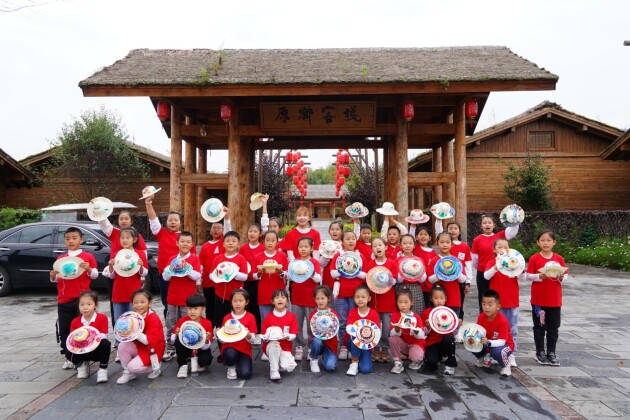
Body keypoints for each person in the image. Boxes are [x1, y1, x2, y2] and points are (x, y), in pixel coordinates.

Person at [49, 227, 98, 369]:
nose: (71, 241)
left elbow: (95, 275)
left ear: (81, 240)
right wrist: (52, 276)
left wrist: (88, 269)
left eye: (74, 238)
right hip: (64, 299)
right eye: (68, 239)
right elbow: (56, 279)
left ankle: (84, 357)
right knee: (65, 329)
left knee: (83, 328)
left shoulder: (88, 256)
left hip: (83, 301)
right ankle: (69, 357)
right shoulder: (60, 259)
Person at [145, 194, 196, 316]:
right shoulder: (162, 234)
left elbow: (193, 259)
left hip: (183, 277)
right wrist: (148, 203)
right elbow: (153, 220)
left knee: (184, 304)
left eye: (175, 220)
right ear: (166, 222)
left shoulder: (186, 239)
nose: (173, 222)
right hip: (165, 275)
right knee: (167, 303)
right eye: (170, 220)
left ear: (180, 223)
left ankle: (184, 324)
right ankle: (170, 325)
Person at [98, 209, 147, 329]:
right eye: (121, 219)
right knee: (118, 317)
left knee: (133, 318)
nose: (123, 221)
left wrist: (141, 271)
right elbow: (104, 224)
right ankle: (118, 335)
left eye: (126, 218)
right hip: (118, 283)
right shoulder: (115, 234)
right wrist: (99, 211)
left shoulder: (138, 239)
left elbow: (144, 264)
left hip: (133, 283)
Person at [525, 230, 568, 366]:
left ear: (554, 242)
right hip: (539, 301)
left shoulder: (559, 259)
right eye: (542, 240)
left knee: (553, 328)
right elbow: (528, 276)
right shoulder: (534, 258)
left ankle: (551, 352)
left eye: (549, 240)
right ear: (538, 243)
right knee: (539, 327)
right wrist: (539, 276)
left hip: (554, 300)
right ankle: (540, 352)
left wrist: (561, 277)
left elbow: (565, 275)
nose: (546, 243)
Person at [102, 227, 148, 354]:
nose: (125, 240)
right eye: (122, 238)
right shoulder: (116, 254)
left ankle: (136, 345)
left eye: (128, 238)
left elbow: (144, 273)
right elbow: (111, 276)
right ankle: (120, 346)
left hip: (134, 293)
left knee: (134, 320)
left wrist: (141, 266)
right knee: (119, 320)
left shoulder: (139, 254)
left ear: (134, 239)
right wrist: (111, 266)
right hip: (118, 292)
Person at [162, 231, 202, 361]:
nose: (185, 244)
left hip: (188, 300)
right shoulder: (172, 259)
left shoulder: (194, 259)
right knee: (171, 325)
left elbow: (197, 276)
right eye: (182, 241)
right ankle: (170, 349)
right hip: (173, 298)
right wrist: (172, 268)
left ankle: (188, 349)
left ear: (192, 244)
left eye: (188, 242)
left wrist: (186, 268)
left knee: (188, 324)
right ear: (177, 243)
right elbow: (165, 277)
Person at [329, 231, 368, 360]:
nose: (350, 241)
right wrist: (344, 269)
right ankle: (343, 346)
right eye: (347, 239)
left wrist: (355, 271)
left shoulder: (360, 256)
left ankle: (353, 345)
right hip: (341, 294)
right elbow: (332, 273)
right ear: (342, 241)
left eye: (353, 239)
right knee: (342, 321)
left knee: (355, 321)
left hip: (357, 296)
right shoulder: (338, 256)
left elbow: (365, 275)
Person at [484, 238, 521, 366]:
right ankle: (494, 353)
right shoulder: (491, 262)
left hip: (512, 301)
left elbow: (523, 276)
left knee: (512, 329)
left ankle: (512, 354)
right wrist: (496, 266)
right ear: (494, 250)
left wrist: (520, 268)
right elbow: (486, 276)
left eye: (505, 247)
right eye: (499, 247)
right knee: (495, 329)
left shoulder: (514, 263)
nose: (503, 250)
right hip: (496, 304)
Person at [471, 214, 519, 313]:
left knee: (496, 295)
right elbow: (474, 260)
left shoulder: (499, 236)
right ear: (481, 226)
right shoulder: (477, 240)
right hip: (483, 273)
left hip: (499, 272)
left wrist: (515, 217)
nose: (487, 225)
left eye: (490, 222)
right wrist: (483, 269)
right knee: (483, 296)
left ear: (494, 225)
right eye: (484, 223)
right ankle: (483, 316)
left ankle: (498, 316)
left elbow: (512, 231)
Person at [117, 290, 166, 384]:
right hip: (139, 345)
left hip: (153, 349)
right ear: (132, 304)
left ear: (149, 303)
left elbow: (147, 341)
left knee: (132, 367)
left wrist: (133, 330)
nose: (139, 305)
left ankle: (155, 366)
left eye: (142, 302)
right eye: (135, 302)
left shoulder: (153, 318)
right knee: (122, 346)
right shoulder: (132, 316)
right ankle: (128, 373)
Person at [289, 237, 322, 361]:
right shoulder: (294, 262)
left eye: (306, 247)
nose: (303, 249)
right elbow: (289, 276)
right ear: (297, 248)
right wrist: (284, 273)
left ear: (312, 248)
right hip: (296, 297)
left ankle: (310, 347)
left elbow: (318, 279)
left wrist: (311, 273)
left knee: (311, 324)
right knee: (296, 324)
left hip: (311, 298)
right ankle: (298, 346)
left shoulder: (314, 262)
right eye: (301, 247)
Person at [365, 237, 398, 363]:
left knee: (386, 328)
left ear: (386, 247)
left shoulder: (391, 263)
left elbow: (395, 280)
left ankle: (384, 348)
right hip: (374, 301)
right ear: (372, 249)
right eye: (374, 246)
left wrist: (385, 278)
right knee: (374, 326)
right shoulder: (370, 264)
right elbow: (367, 281)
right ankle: (375, 348)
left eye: (380, 245)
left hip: (388, 301)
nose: (377, 248)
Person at [66, 291, 110, 383]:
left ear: (95, 305)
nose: (85, 307)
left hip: (96, 350)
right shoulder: (75, 321)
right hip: (81, 350)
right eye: (82, 304)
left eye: (89, 304)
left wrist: (90, 336)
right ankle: (81, 366)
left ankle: (102, 370)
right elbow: (72, 339)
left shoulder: (102, 318)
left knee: (106, 343)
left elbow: (104, 335)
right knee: (69, 350)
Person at [211, 231, 250, 334]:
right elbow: (211, 275)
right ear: (223, 244)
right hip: (220, 295)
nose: (230, 243)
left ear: (238, 244)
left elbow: (245, 277)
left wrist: (232, 273)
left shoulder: (241, 258)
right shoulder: (218, 258)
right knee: (220, 321)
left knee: (236, 321)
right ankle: (221, 341)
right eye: (227, 241)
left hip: (237, 297)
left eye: (233, 241)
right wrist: (219, 274)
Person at [199, 215, 232, 326]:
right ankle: (210, 328)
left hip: (221, 282)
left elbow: (229, 232)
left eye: (219, 228)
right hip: (207, 282)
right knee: (209, 307)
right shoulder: (205, 246)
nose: (216, 230)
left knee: (221, 307)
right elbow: (200, 264)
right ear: (210, 231)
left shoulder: (224, 243)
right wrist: (198, 281)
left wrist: (226, 219)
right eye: (214, 228)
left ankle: (221, 327)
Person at [436, 222, 473, 322]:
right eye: (450, 228)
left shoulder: (464, 246)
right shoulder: (446, 243)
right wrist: (438, 219)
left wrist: (468, 281)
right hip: (444, 279)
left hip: (459, 279)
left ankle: (458, 322)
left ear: (459, 231)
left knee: (458, 302)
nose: (453, 230)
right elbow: (439, 233)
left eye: (455, 228)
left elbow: (468, 264)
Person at [473, 289, 515, 377]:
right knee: (471, 342)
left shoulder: (502, 321)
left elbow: (502, 341)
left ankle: (506, 365)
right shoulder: (481, 317)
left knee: (497, 352)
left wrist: (488, 342)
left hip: (504, 345)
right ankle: (482, 358)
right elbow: (478, 331)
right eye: (484, 304)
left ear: (498, 306)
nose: (486, 307)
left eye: (490, 305)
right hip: (488, 343)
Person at [218, 288, 258, 380]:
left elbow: (252, 340)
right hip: (229, 348)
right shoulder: (227, 318)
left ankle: (239, 362)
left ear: (246, 302)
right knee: (230, 355)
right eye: (235, 301)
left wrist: (248, 334)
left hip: (244, 350)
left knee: (245, 374)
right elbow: (222, 340)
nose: (238, 304)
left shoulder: (251, 317)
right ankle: (231, 366)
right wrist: (218, 334)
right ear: (231, 302)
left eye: (241, 301)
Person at [171, 294, 214, 379]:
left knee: (206, 361)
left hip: (200, 349)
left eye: (195, 308)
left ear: (203, 309)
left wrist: (206, 340)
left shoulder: (207, 323)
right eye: (190, 308)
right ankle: (183, 365)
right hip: (186, 347)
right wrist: (176, 334)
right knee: (178, 341)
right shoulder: (182, 321)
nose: (192, 312)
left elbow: (206, 346)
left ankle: (197, 360)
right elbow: (173, 341)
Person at [427, 232, 468, 318]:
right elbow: (430, 279)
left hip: (454, 299)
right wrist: (441, 273)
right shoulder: (435, 260)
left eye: (447, 242)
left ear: (452, 244)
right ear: (437, 244)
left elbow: (463, 279)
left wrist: (454, 271)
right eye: (442, 242)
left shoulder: (456, 261)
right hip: (438, 301)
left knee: (452, 323)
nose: (445, 245)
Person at [261, 289, 298, 381]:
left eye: (283, 297)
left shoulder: (291, 316)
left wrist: (288, 336)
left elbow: (294, 334)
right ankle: (274, 371)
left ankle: (278, 363)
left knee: (289, 366)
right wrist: (267, 337)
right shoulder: (268, 317)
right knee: (274, 345)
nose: (280, 299)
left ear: (287, 301)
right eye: (277, 298)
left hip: (285, 347)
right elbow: (263, 335)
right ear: (272, 301)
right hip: (270, 346)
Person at [345, 284, 381, 376]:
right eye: (357, 297)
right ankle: (354, 363)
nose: (360, 299)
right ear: (354, 298)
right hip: (352, 342)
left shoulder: (374, 314)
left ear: (369, 299)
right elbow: (349, 328)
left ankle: (359, 356)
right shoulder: (352, 312)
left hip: (367, 345)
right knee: (355, 336)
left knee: (366, 369)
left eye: (363, 297)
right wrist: (358, 332)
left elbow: (376, 331)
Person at [421, 285, 458, 375]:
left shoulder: (449, 313)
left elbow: (454, 333)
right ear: (431, 299)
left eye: (441, 298)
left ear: (445, 299)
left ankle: (450, 364)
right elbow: (422, 333)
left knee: (450, 340)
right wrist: (428, 327)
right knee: (431, 363)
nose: (439, 301)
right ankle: (439, 357)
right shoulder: (427, 312)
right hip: (432, 342)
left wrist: (457, 326)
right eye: (436, 298)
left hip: (444, 341)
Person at [388, 287, 426, 374]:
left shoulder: (416, 317)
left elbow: (422, 335)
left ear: (411, 302)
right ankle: (398, 362)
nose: (403, 305)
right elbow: (392, 333)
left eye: (406, 302)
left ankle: (419, 359)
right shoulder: (395, 315)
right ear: (397, 303)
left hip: (416, 343)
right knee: (392, 339)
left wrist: (416, 332)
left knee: (415, 357)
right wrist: (397, 330)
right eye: (400, 302)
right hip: (404, 343)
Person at [254, 231, 288, 322]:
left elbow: (287, 274)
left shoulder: (282, 255)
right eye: (267, 240)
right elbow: (253, 276)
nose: (270, 243)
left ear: (277, 242)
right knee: (265, 321)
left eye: (273, 240)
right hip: (264, 293)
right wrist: (259, 273)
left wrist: (281, 272)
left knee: (280, 320)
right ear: (263, 241)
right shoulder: (258, 256)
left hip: (279, 293)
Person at [308, 285, 339, 372]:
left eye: (322, 298)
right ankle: (314, 359)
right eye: (318, 299)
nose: (320, 301)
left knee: (330, 367)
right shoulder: (313, 314)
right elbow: (313, 331)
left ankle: (326, 355)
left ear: (328, 298)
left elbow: (335, 330)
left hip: (330, 344)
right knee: (316, 341)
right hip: (318, 341)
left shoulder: (333, 314)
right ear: (315, 299)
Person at [239, 223, 264, 329]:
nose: (252, 234)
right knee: (247, 305)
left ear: (260, 234)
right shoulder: (243, 248)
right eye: (250, 231)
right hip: (246, 282)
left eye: (255, 231)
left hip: (259, 282)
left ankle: (258, 330)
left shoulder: (263, 248)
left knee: (257, 306)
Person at [396, 234, 427, 314]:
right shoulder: (397, 260)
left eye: (410, 243)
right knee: (401, 313)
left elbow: (422, 279)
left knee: (417, 313)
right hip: (401, 288)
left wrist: (417, 274)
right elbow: (398, 280)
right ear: (400, 245)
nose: (408, 245)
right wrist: (404, 272)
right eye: (405, 243)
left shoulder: (418, 260)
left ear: (414, 245)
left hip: (415, 288)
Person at [413, 226, 437, 310]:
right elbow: (410, 236)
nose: (423, 236)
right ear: (416, 237)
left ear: (429, 238)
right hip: (419, 285)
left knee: (429, 307)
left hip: (430, 285)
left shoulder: (433, 252)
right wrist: (413, 225)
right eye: (421, 234)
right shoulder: (416, 248)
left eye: (425, 234)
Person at [320, 220, 344, 290]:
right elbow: (321, 264)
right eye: (332, 229)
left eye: (337, 229)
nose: (334, 231)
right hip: (328, 278)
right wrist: (327, 254)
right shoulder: (324, 246)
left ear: (342, 231)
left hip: (342, 279)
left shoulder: (345, 245)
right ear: (329, 231)